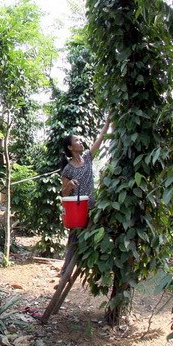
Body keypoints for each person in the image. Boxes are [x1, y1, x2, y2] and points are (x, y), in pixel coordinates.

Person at [58, 115, 110, 277]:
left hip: (93, 207)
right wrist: (69, 186)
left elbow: (100, 139)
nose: (81, 142)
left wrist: (108, 122)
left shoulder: (87, 158)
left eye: (80, 140)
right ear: (70, 148)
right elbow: (64, 194)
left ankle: (95, 272)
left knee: (96, 238)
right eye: (77, 141)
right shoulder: (68, 169)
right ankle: (65, 273)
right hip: (78, 211)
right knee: (73, 241)